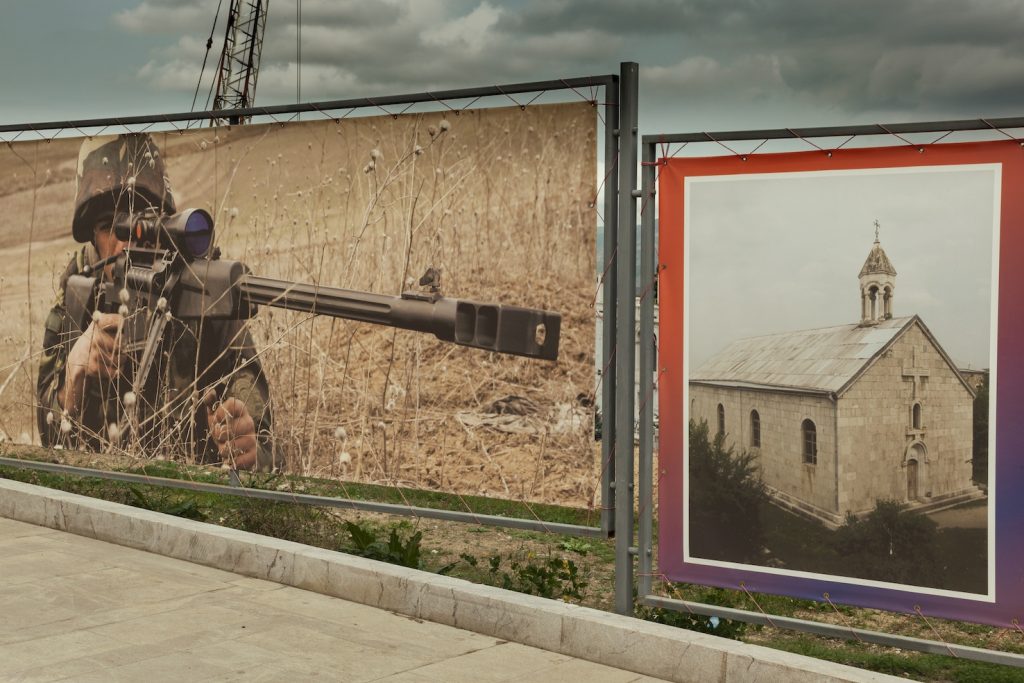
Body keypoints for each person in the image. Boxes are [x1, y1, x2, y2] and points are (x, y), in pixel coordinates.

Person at [36, 133, 277, 471]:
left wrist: (249, 450)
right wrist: (74, 376)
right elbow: (48, 437)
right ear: (92, 235)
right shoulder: (77, 297)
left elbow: (266, 444)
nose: (127, 242)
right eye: (110, 226)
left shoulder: (203, 295)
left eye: (143, 221)